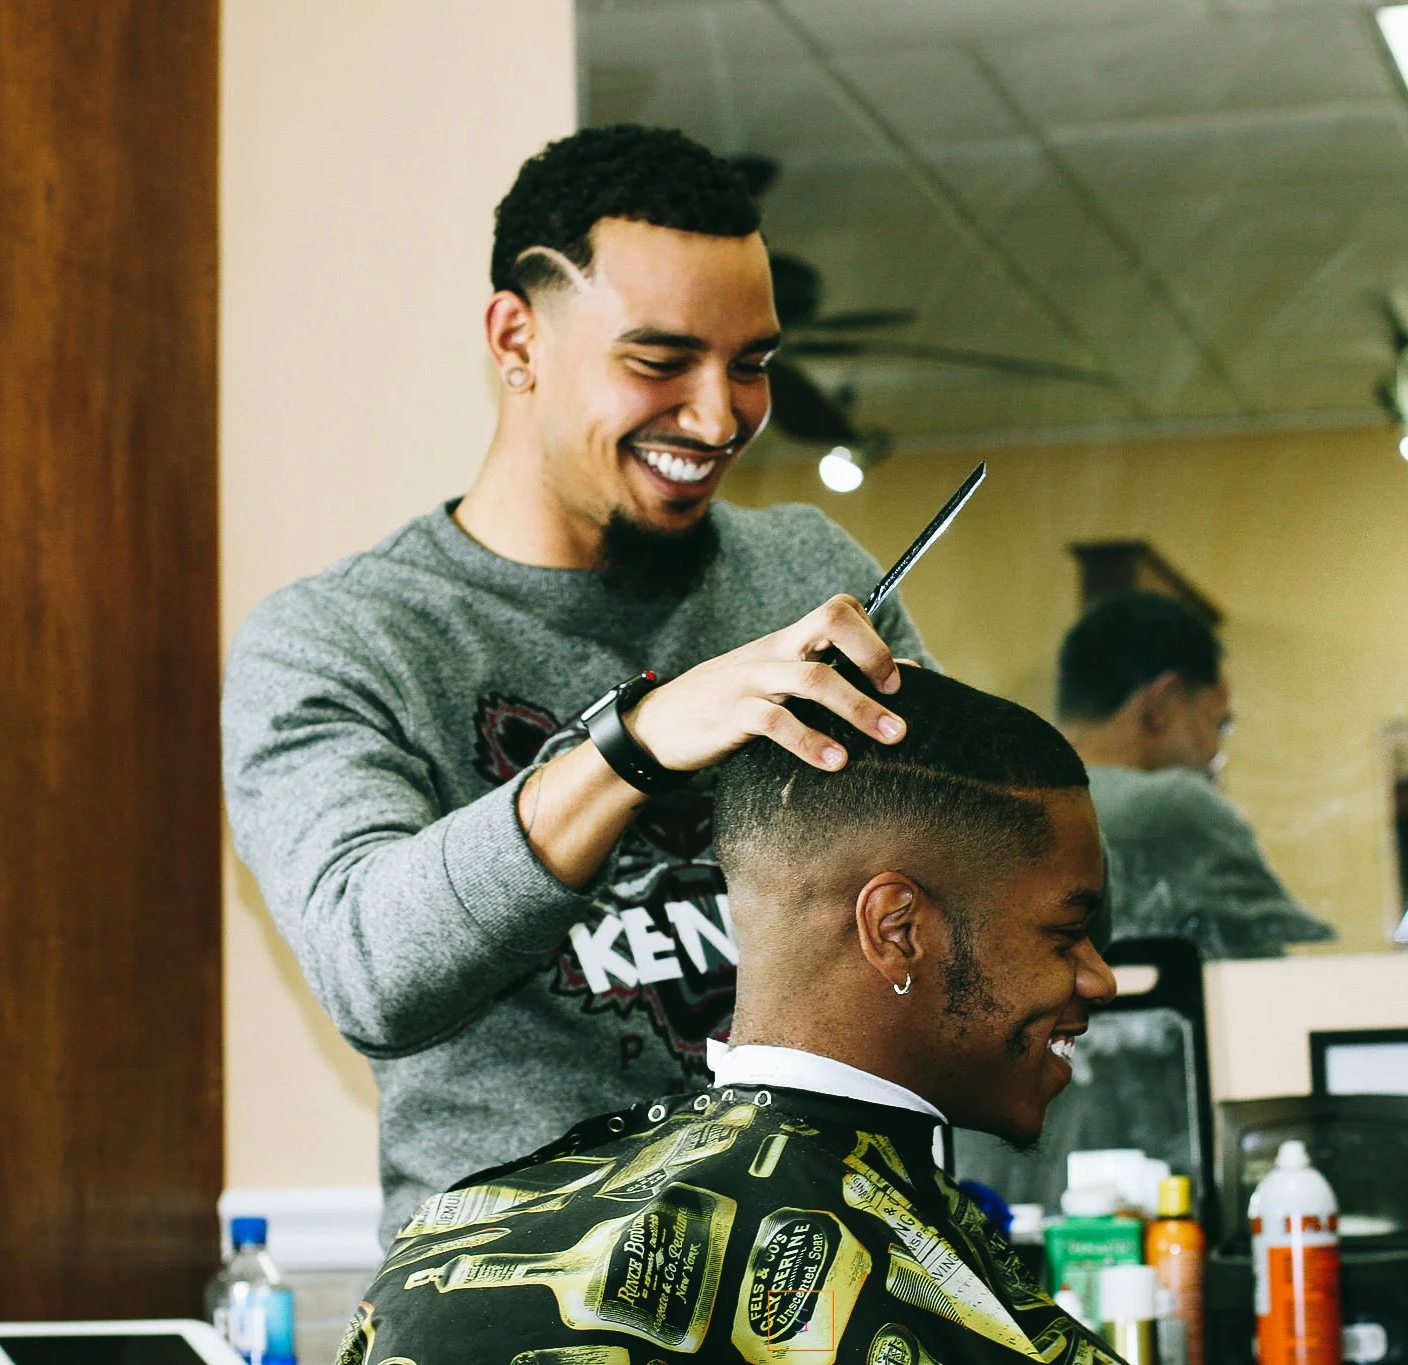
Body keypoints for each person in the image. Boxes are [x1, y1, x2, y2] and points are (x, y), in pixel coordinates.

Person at [221, 125, 930, 1240]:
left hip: (822, 1278)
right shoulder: (339, 641)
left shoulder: (810, 576)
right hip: (521, 1309)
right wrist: (635, 745)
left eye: (749, 364)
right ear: (517, 338)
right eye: (659, 362)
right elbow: (369, 968)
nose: (717, 417)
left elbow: (956, 910)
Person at [333, 667, 1123, 1365]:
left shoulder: (450, 1243)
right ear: (897, 929)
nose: (1100, 977)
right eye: (1067, 931)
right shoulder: (964, 1319)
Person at [1055, 591, 1332, 959]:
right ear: (1164, 702)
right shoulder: (1170, 805)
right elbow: (1278, 976)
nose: (1214, 754)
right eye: (1216, 724)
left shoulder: (999, 800)